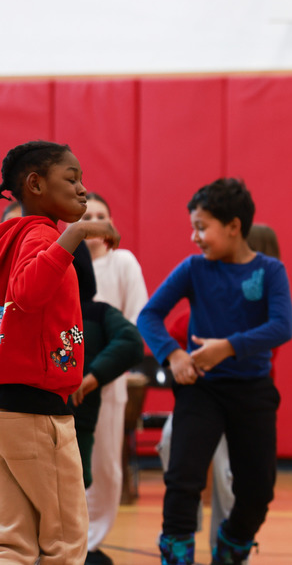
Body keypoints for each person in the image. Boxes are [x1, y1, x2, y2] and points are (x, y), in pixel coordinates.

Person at [138, 178, 292, 565]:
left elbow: (282, 327)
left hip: (252, 391)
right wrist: (173, 356)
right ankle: (176, 554)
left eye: (201, 227)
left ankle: (232, 545)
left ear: (233, 226)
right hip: (201, 391)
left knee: (258, 491)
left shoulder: (269, 270)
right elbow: (149, 316)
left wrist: (228, 347)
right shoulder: (194, 269)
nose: (194, 237)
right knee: (182, 481)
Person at [0, 140, 120, 564]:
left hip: (9, 410)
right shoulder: (40, 234)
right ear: (35, 184)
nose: (83, 189)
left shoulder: (12, 237)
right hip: (37, 411)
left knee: (14, 543)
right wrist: (76, 233)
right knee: (67, 542)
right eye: (71, 179)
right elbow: (27, 293)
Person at [80, 192, 150, 565]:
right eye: (86, 214)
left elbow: (139, 318)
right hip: (64, 381)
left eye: (100, 215)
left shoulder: (123, 262)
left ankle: (91, 541)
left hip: (109, 380)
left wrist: (107, 364)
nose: (93, 221)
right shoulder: (63, 262)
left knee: (105, 464)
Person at [69, 243, 144, 491]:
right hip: (31, 414)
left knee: (76, 480)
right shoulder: (30, 308)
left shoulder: (98, 312)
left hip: (79, 417)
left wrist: (94, 376)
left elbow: (131, 342)